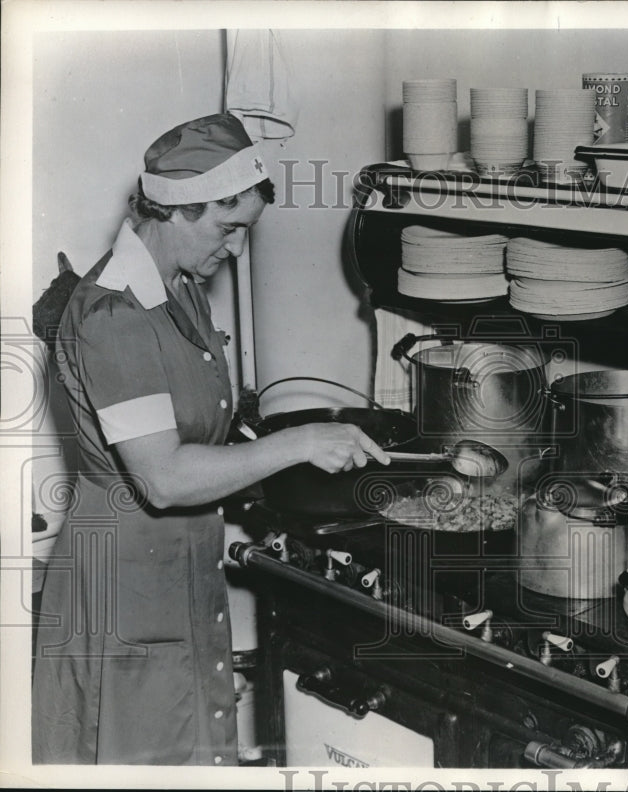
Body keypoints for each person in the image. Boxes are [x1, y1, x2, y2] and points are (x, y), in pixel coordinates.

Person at [31, 113, 390, 766]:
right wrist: (298, 443)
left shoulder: (178, 288)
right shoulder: (115, 314)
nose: (237, 250)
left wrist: (278, 446)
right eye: (229, 229)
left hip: (176, 568)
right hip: (126, 582)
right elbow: (164, 478)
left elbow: (198, 425)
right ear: (177, 210)